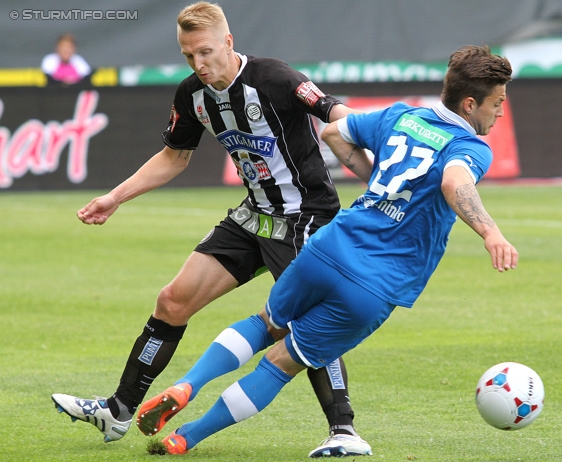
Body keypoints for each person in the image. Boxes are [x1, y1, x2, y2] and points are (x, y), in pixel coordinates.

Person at [136, 44, 518, 456]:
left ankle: (186, 384)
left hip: (328, 246)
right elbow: (454, 182)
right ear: (469, 102)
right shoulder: (472, 147)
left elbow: (334, 132)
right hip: (374, 284)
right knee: (282, 362)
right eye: (497, 102)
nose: (500, 111)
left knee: (265, 323)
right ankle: (185, 437)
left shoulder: (402, 115)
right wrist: (490, 232)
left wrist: (377, 180)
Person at [51, 2, 374, 458]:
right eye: (188, 56)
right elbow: (175, 156)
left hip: (305, 216)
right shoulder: (192, 94)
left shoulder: (276, 77)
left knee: (303, 321)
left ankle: (343, 430)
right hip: (252, 215)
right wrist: (115, 197)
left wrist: (386, 171)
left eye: (205, 52)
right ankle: (119, 409)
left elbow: (335, 112)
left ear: (228, 41)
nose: (199, 65)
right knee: (172, 300)